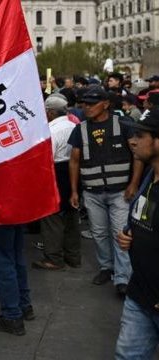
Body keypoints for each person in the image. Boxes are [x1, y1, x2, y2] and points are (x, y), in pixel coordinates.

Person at [68, 87, 144, 295]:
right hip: (92, 192)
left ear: (106, 104)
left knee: (120, 234)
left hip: (120, 192)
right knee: (99, 233)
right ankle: (106, 267)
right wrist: (75, 191)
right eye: (85, 103)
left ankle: (122, 279)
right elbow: (74, 161)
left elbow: (137, 156)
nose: (87, 107)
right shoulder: (80, 129)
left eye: (92, 103)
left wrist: (133, 184)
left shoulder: (124, 125)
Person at [115, 108, 159, 359]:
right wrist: (130, 235)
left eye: (141, 135)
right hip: (139, 294)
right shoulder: (150, 176)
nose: (132, 140)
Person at [33, 95, 81, 270]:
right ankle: (73, 256)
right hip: (74, 173)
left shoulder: (51, 131)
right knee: (71, 214)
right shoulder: (74, 125)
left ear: (50, 112)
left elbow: (47, 159)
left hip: (57, 172)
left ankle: (53, 258)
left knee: (51, 217)